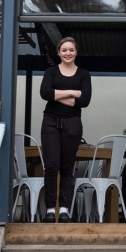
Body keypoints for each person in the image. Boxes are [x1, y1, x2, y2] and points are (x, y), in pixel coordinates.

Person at [39, 37, 91, 223]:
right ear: (58, 52)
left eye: (71, 50)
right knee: (51, 167)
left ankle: (64, 210)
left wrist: (56, 94)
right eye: (64, 50)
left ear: (76, 52)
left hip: (73, 123)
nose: (68, 53)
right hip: (51, 121)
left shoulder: (84, 74)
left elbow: (84, 101)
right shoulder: (51, 71)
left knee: (67, 168)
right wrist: (71, 93)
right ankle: (50, 209)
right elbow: (44, 93)